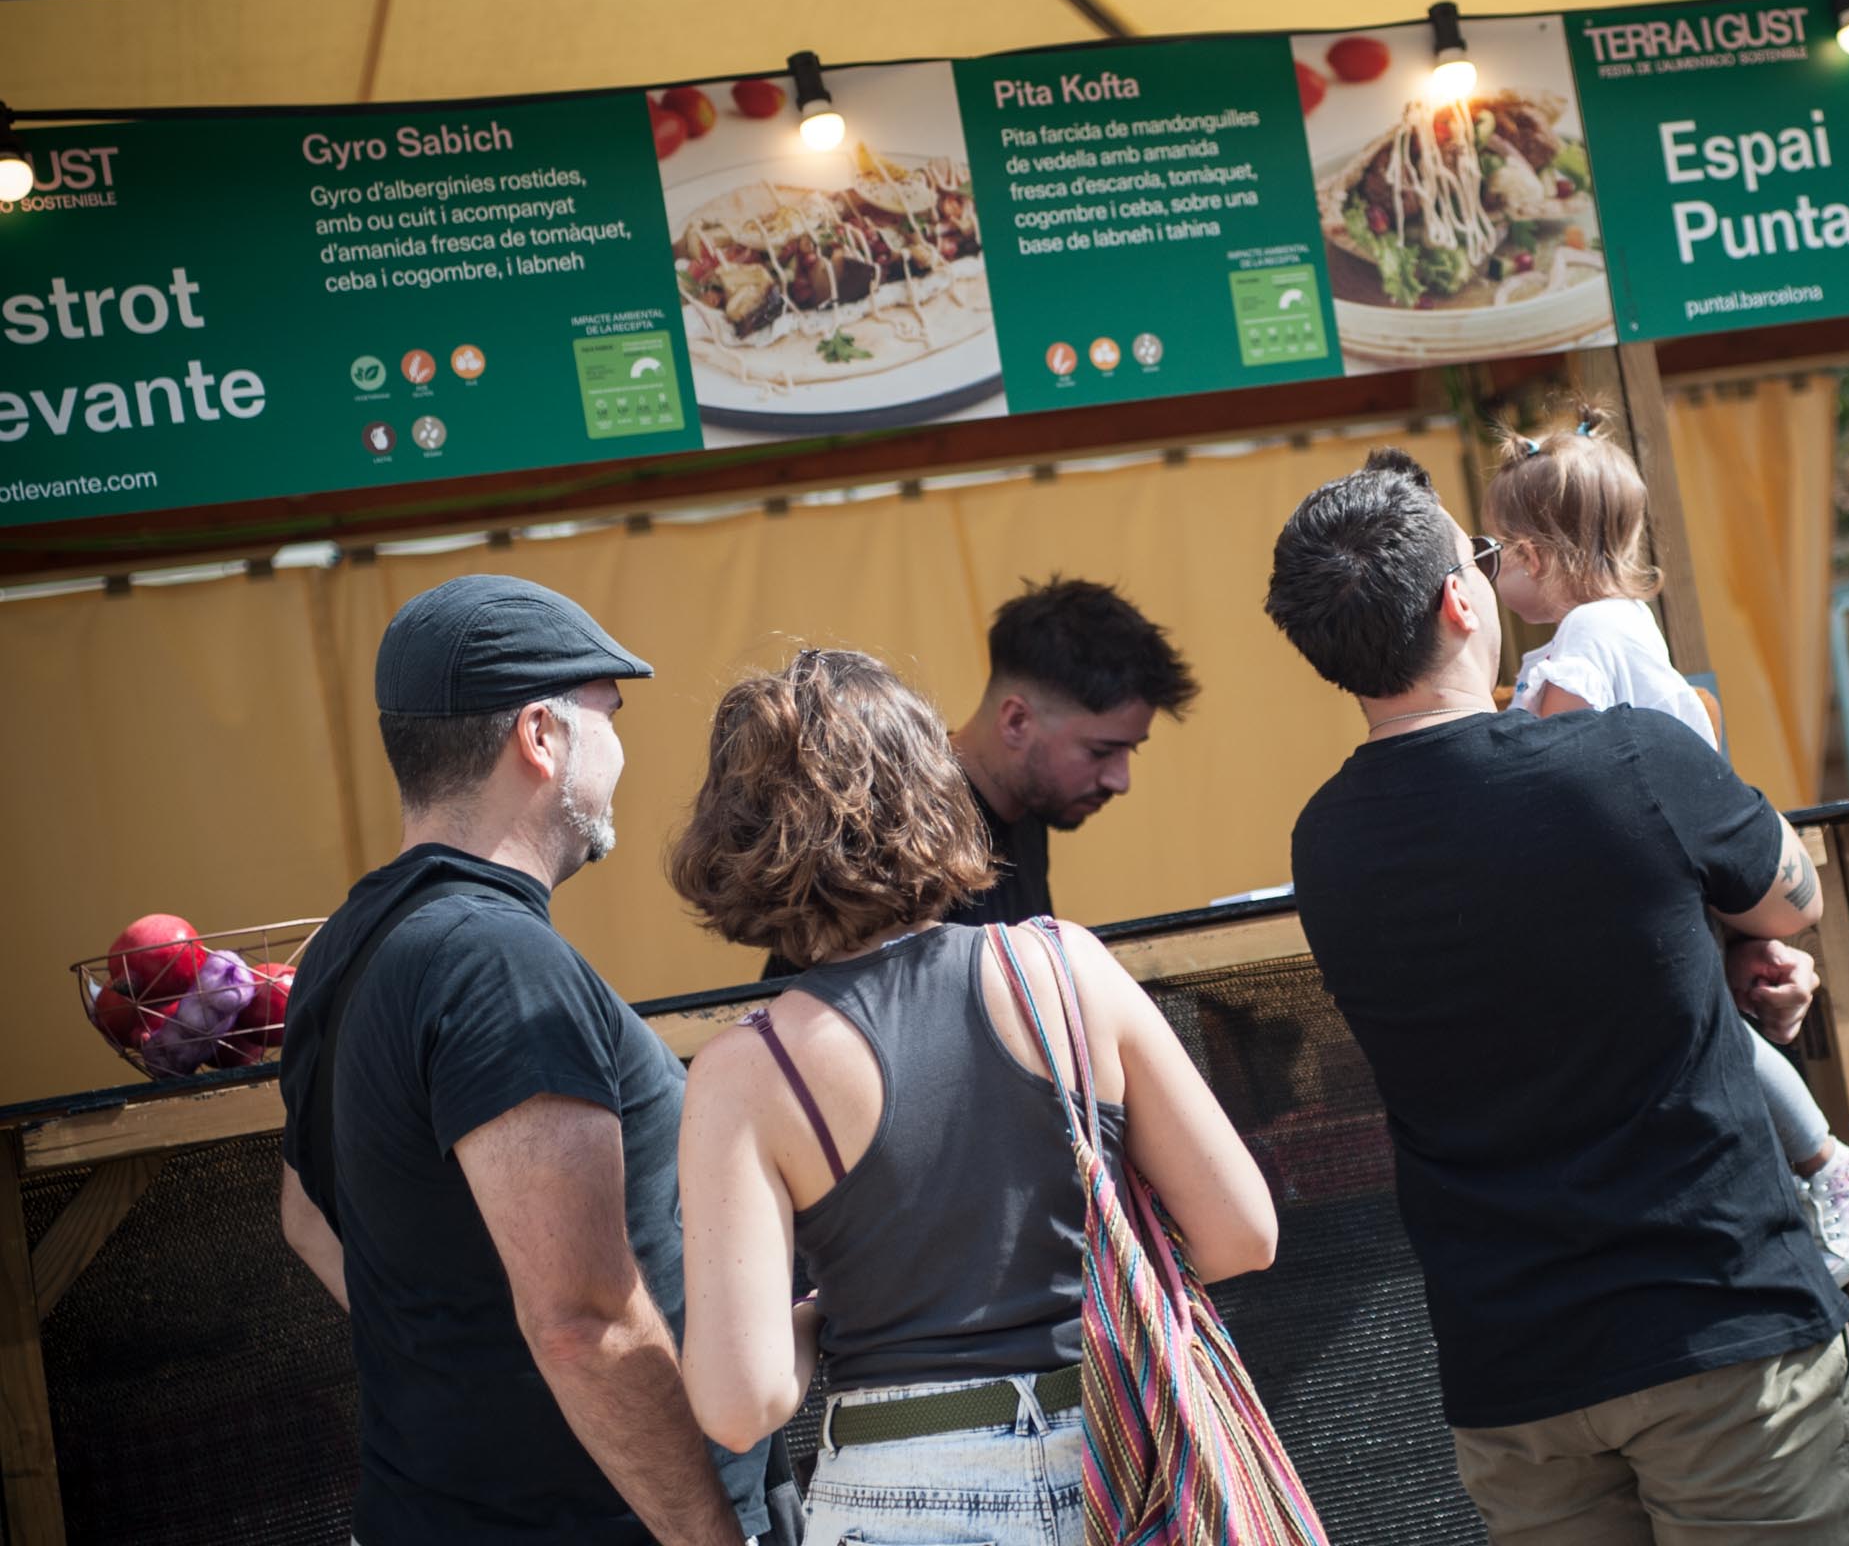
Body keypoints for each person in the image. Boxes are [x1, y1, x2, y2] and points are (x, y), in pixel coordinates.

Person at [1266, 447, 1849, 1544]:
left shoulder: (1324, 843)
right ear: (1461, 600)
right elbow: (1790, 896)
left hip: (1513, 1371)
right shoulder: (1628, 758)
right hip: (1717, 1319)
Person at [666, 648, 1276, 1546]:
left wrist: (820, 1311)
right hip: (1127, 1464)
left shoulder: (745, 1072)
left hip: (895, 1490)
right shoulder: (1067, 969)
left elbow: (739, 1403)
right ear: (932, 789)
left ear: (738, 833)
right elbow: (1241, 1236)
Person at [277, 574, 767, 1545]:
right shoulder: (495, 962)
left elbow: (304, 1217)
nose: (623, 751)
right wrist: (710, 1534)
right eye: (609, 716)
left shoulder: (345, 944)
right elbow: (582, 1321)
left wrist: (464, 1358)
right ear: (539, 737)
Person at [1482, 402, 1849, 1289]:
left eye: (1494, 552)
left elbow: (1559, 749)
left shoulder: (1582, 640)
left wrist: (1490, 731)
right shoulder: (1628, 625)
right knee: (1704, 1033)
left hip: (1648, 871)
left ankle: (1825, 1161)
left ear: (1532, 557)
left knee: (1707, 1036)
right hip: (1681, 860)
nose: (1490, 572)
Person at [759, 577, 1194, 980]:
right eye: (1101, 751)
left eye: (1129, 750)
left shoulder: (1027, 809)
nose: (1121, 780)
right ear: (1017, 721)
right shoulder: (896, 832)